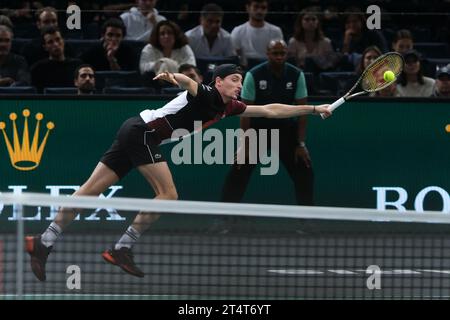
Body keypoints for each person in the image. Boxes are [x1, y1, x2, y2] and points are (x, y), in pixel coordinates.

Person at [25, 63, 332, 281]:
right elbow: (189, 83)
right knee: (168, 194)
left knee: (90, 190)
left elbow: (270, 110)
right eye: (235, 79)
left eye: (241, 80)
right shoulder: (208, 94)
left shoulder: (229, 107)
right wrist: (174, 76)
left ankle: (44, 241)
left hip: (134, 130)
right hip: (143, 134)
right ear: (220, 80)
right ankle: (122, 248)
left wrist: (314, 109)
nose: (239, 84)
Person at [221, 39, 314, 207]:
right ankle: (223, 219)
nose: (279, 57)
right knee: (238, 170)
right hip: (258, 131)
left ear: (287, 54)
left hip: (286, 132)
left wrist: (300, 143)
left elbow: (303, 111)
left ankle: (307, 220)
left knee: (304, 171)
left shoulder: (296, 74)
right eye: (275, 53)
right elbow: (244, 112)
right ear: (267, 54)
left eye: (282, 53)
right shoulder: (253, 75)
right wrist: (245, 145)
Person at [231, 0, 283, 67]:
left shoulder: (276, 31)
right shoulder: (237, 31)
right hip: (245, 70)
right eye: (256, 7)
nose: (259, 11)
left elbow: (279, 55)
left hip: (269, 69)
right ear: (248, 8)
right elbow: (233, 57)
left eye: (263, 8)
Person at [30, 26, 82, 93]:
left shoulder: (77, 66)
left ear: (63, 41)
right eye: (50, 42)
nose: (56, 44)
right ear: (45, 47)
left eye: (58, 39)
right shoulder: (37, 69)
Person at [287, 7, 338, 71]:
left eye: (313, 19)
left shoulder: (326, 42)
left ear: (318, 22)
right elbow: (290, 64)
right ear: (300, 22)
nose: (311, 22)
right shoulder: (293, 42)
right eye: (307, 19)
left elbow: (331, 63)